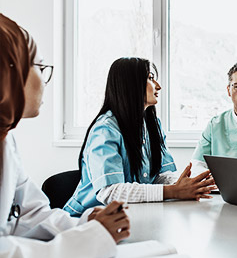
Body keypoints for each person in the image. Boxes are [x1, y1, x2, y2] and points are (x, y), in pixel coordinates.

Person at [0, 13, 129, 258]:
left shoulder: (6, 141)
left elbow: (30, 213)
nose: (45, 80)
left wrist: (88, 224)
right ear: (9, 73)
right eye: (40, 67)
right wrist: (87, 240)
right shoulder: (107, 128)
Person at [64, 57, 216, 217]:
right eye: (150, 78)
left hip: (132, 215)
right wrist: (173, 191)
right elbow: (110, 192)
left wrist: (189, 184)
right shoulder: (105, 130)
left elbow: (159, 176)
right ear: (131, 85)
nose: (158, 86)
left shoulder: (152, 124)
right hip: (86, 220)